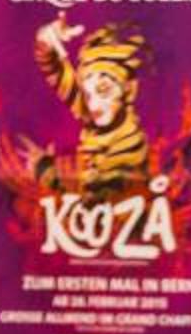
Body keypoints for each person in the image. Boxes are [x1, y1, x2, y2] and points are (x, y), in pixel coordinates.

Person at [32, 15, 153, 197]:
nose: (94, 105)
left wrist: (47, 174)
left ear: (129, 88)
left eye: (103, 90)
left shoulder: (129, 150)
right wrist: (46, 41)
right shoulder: (97, 114)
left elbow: (97, 206)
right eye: (87, 94)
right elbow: (55, 70)